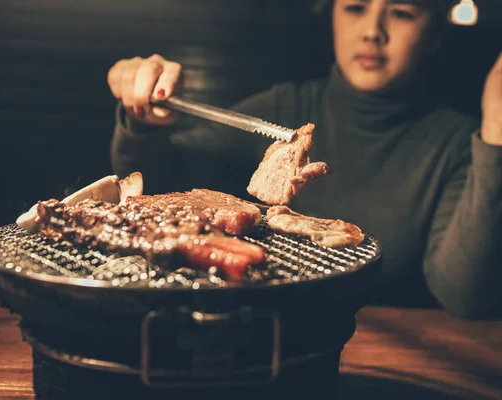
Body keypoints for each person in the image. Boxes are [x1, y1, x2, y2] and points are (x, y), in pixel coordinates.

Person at [107, 0, 502, 319]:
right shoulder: (285, 107)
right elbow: (154, 183)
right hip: (261, 329)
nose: (372, 31)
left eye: (402, 12)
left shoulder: (457, 143)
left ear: (433, 33)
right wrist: (142, 120)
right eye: (355, 7)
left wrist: (497, 134)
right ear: (331, 13)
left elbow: (464, 296)